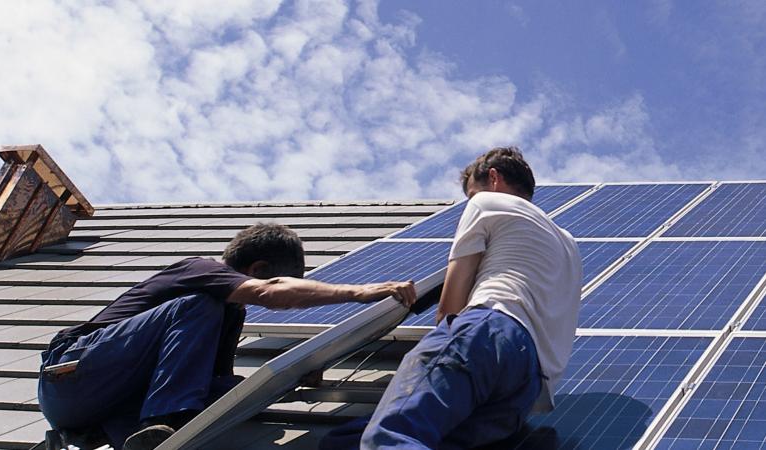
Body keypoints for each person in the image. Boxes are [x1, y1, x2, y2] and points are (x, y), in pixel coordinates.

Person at [38, 223, 415, 450]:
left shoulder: (223, 319)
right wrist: (358, 292)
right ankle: (163, 419)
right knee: (199, 307)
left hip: (93, 413)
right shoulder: (200, 272)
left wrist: (293, 378)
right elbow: (269, 292)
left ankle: (147, 434)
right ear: (259, 268)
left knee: (220, 386)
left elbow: (215, 384)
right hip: (71, 373)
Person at [359, 147, 582, 449]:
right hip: (528, 384)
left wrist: (439, 350)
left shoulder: (487, 202)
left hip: (488, 331)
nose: (470, 201)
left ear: (493, 178)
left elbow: (450, 306)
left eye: (470, 193)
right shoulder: (568, 243)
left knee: (392, 436)